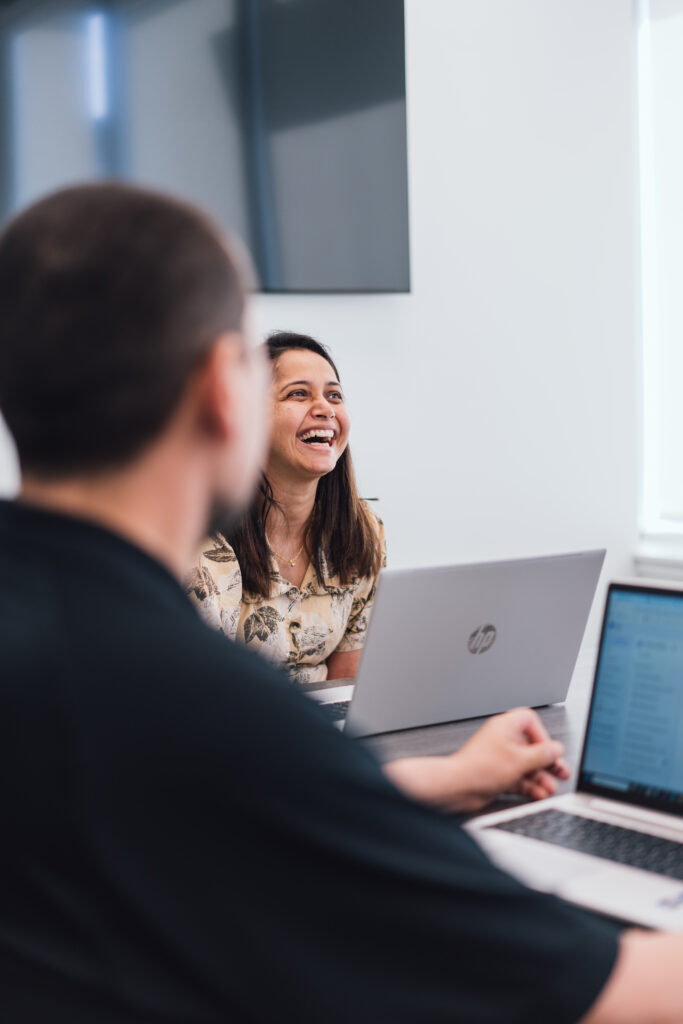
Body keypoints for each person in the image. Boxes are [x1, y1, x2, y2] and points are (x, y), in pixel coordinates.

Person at [0, 182, 679, 1023]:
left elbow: (246, 795)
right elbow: (612, 993)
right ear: (226, 391)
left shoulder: (67, 642)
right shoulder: (193, 695)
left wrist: (456, 777)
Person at [188, 331, 384, 685]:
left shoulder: (363, 531)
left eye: (334, 395)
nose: (325, 408)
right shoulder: (201, 540)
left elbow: (348, 687)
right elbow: (198, 688)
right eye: (298, 393)